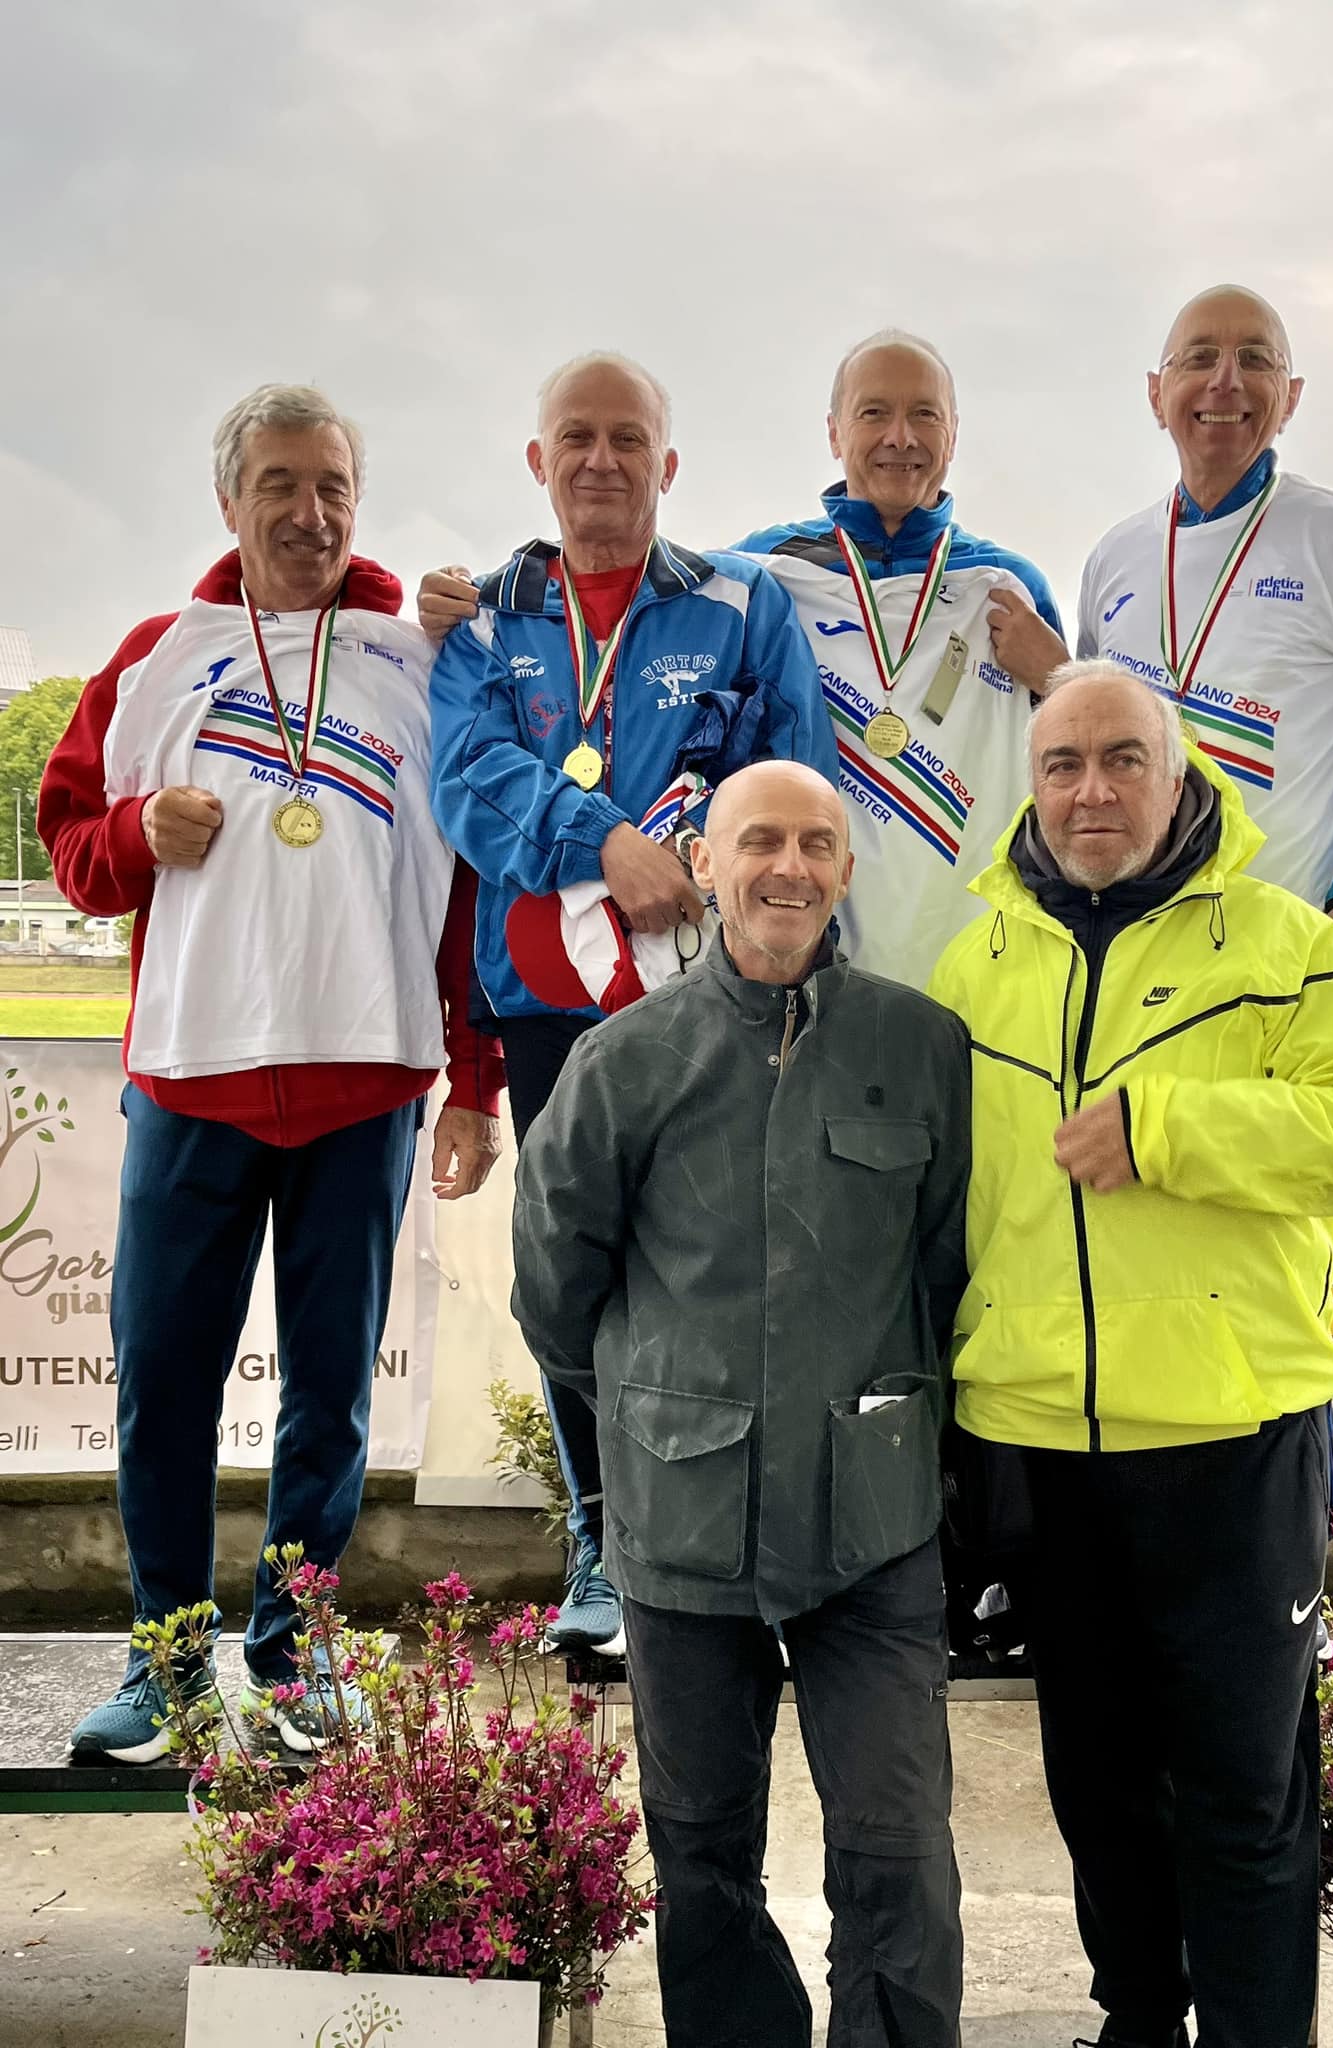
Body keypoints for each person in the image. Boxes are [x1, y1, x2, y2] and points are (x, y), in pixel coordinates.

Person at [927, 664, 1333, 2048]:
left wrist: (1168, 1129)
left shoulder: (1280, 942)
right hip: (1042, 1445)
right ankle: (1139, 2020)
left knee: (1242, 1794)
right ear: (1034, 782)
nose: (1091, 790)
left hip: (1233, 1440)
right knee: (1096, 1788)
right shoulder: (976, 963)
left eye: (1123, 759)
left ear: (1179, 770)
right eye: (1064, 763)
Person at [38, 384, 503, 1764]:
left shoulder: (420, 660)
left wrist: (473, 1077)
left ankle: (295, 1655)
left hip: (365, 1083)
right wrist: (136, 833)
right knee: (163, 1383)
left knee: (332, 1394)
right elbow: (73, 847)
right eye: (280, 486)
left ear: (360, 497)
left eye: (333, 487)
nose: (311, 514)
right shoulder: (156, 659)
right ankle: (168, 1659)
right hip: (195, 1077)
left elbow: (469, 882)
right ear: (228, 501)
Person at [511, 761, 969, 2048]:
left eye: (818, 842)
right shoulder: (622, 1059)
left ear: (846, 868)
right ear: (704, 864)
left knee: (898, 1845)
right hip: (685, 1524)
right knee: (702, 1851)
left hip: (873, 1523)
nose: (790, 865)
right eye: (759, 839)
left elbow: (947, 1267)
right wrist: (666, 1412)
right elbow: (555, 1291)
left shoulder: (922, 1045)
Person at [425, 353, 838, 1659]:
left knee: (732, 1268)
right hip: (549, 1007)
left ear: (668, 463)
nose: (600, 460)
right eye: (576, 437)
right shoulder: (484, 621)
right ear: (537, 461)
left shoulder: (743, 602)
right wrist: (605, 841)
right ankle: (605, 1542)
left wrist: (734, 886)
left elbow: (797, 782)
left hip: (715, 1002)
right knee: (574, 1278)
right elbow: (467, 779)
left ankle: (746, 1536)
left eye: (627, 438)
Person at [1056, 283, 1333, 982]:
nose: (1225, 379)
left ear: (1291, 397)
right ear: (1157, 394)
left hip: (1286, 964)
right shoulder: (1114, 557)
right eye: (1199, 357)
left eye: (1255, 358)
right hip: (1132, 961)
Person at [734, 328, 1068, 985]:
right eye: (874, 413)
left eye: (924, 414)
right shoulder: (761, 572)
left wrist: (1061, 679)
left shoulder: (1008, 585)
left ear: (953, 433)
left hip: (974, 964)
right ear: (834, 433)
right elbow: (641, 614)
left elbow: (1081, 758)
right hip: (807, 962)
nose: (901, 437)